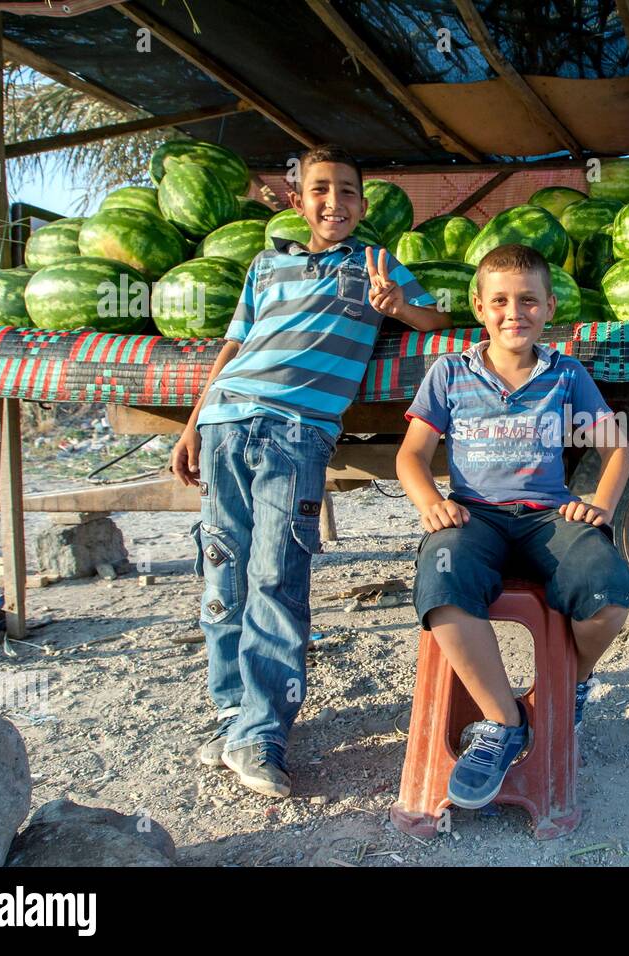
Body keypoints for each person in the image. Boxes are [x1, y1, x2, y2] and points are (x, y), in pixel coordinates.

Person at [170, 144, 451, 798]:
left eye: (348, 192)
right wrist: (192, 422)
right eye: (321, 190)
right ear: (298, 202)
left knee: (277, 575)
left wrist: (395, 305)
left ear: (363, 204)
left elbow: (437, 318)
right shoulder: (267, 266)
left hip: (297, 432)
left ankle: (263, 735)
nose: (334, 202)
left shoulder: (377, 265)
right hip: (225, 424)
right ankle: (234, 717)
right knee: (223, 572)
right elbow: (233, 346)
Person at [396, 243, 629, 810]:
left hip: (546, 520)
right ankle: (504, 723)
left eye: (528, 300)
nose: (515, 312)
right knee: (442, 584)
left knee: (608, 591)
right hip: (472, 516)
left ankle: (568, 687)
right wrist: (429, 501)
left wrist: (600, 505)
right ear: (479, 308)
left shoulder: (566, 373)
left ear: (549, 307)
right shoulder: (450, 373)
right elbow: (411, 455)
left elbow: (617, 449)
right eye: (501, 300)